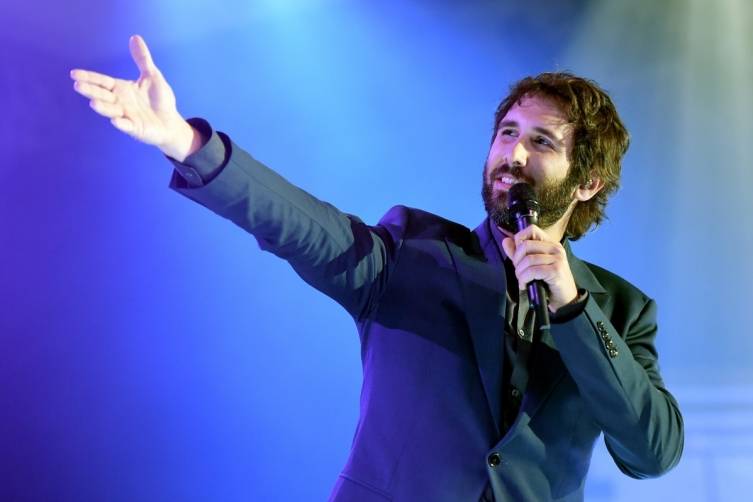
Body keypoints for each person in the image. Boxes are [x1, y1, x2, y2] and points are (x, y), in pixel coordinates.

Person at [71, 35, 684, 501]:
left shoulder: (622, 312)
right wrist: (184, 142)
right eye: (506, 133)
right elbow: (302, 226)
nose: (512, 154)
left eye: (541, 142)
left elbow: (652, 451)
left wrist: (573, 309)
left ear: (588, 182)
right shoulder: (414, 251)